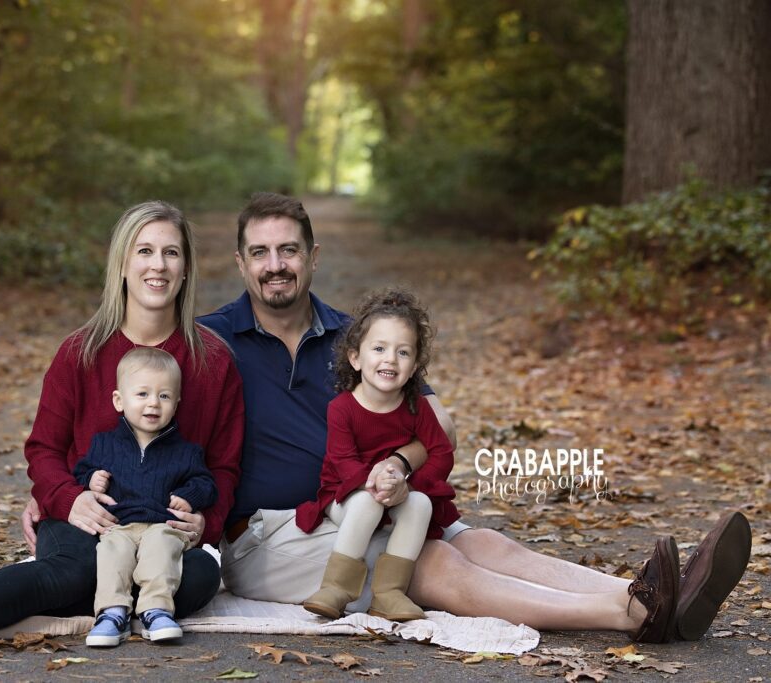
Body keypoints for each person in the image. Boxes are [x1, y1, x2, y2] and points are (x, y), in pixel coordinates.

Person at [197, 191, 751, 644]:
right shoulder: (211, 341)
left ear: (313, 256)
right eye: (260, 253)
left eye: (289, 250)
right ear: (241, 262)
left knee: (485, 544)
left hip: (372, 503)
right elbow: (154, 393)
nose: (276, 266)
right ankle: (631, 614)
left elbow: (440, 424)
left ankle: (651, 590)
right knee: (433, 560)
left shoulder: (359, 336)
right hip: (274, 536)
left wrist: (397, 463)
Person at [0, 201, 244, 665]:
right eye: (144, 251)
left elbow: (224, 465)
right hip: (89, 519)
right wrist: (65, 498)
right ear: (122, 264)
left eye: (171, 253)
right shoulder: (80, 351)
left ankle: (107, 601)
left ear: (186, 269)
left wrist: (206, 522)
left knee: (198, 576)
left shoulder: (212, 360)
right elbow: (44, 448)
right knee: (77, 570)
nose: (157, 265)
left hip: (164, 530)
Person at [300, 288, 454, 622]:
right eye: (379, 348)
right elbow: (342, 462)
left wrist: (407, 485)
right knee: (367, 503)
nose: (390, 359)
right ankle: (337, 587)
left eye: (403, 352)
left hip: (395, 489)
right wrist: (374, 484)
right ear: (355, 358)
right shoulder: (342, 408)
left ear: (414, 366)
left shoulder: (416, 407)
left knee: (421, 504)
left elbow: (441, 453)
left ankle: (389, 593)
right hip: (346, 493)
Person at [75, 347, 217, 646]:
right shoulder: (104, 444)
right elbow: (80, 471)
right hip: (120, 525)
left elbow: (205, 482)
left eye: (164, 396)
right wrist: (91, 479)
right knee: (111, 554)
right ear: (119, 400)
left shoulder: (186, 452)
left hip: (162, 523)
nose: (153, 403)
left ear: (176, 404)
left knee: (161, 551)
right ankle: (112, 613)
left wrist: (189, 496)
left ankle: (156, 611)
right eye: (142, 394)